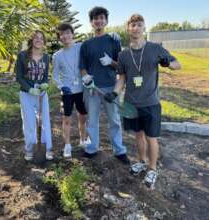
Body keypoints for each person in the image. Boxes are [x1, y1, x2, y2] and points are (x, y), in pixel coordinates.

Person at [104, 14, 181, 188]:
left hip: (151, 103)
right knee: (138, 135)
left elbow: (178, 64)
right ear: (128, 29)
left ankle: (152, 169)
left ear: (144, 28)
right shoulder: (123, 55)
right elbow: (122, 77)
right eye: (132, 25)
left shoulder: (155, 49)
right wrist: (115, 93)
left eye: (139, 25)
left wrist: (167, 63)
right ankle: (141, 161)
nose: (136, 28)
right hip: (131, 103)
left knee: (151, 137)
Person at [79, 6, 129, 164]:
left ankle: (119, 150)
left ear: (106, 21)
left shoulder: (113, 40)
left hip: (110, 87)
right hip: (92, 89)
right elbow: (82, 66)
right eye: (95, 19)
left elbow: (121, 66)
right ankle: (92, 148)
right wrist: (85, 76)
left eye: (101, 18)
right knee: (92, 121)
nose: (98, 21)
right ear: (91, 23)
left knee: (114, 120)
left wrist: (111, 62)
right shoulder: (86, 44)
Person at [15, 30, 53, 161]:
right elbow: (19, 77)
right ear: (31, 40)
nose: (39, 40)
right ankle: (30, 149)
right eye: (36, 38)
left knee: (45, 121)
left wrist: (45, 84)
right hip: (26, 94)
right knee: (29, 122)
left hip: (42, 94)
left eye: (41, 38)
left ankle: (47, 148)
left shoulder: (46, 57)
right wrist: (29, 89)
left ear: (44, 41)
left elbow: (46, 76)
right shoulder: (22, 55)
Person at [53, 23, 89, 158]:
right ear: (59, 38)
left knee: (83, 117)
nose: (65, 36)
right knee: (66, 119)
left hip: (81, 90)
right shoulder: (57, 55)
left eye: (67, 33)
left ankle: (83, 139)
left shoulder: (80, 47)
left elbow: (95, 44)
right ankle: (67, 145)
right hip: (67, 92)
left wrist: (111, 38)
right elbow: (55, 75)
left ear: (72, 34)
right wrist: (61, 86)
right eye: (61, 34)